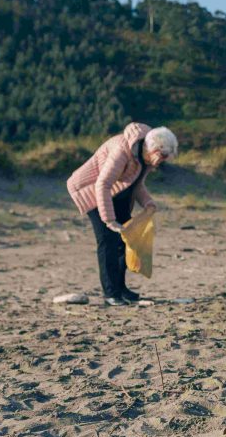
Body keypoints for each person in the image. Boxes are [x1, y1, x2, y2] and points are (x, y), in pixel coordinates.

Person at [67, 123, 178, 306]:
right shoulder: (122, 150)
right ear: (153, 149)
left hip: (116, 192)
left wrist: (148, 203)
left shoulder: (146, 158)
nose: (163, 161)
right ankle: (110, 293)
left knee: (124, 240)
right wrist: (109, 220)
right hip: (91, 190)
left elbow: (136, 184)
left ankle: (121, 288)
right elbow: (102, 184)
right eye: (163, 156)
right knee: (108, 241)